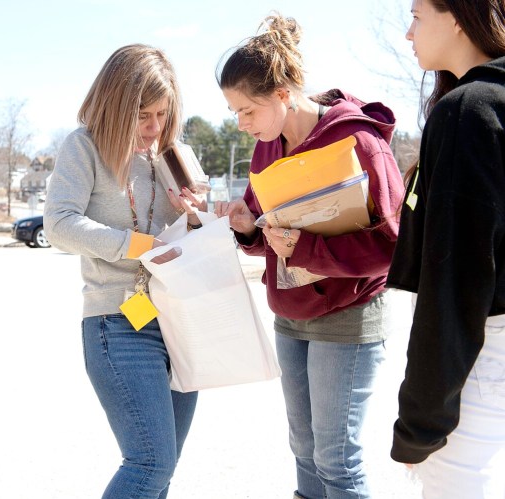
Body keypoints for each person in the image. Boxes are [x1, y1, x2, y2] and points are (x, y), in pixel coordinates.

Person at [213, 15, 405, 499]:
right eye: (234, 112)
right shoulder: (265, 150)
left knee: (336, 460)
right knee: (304, 448)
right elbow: (269, 234)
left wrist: (308, 248)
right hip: (291, 314)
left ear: (282, 94)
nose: (241, 124)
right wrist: (247, 229)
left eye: (247, 111)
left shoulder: (359, 143)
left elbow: (394, 247)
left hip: (349, 312)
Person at [43, 44, 205, 498]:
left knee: (162, 468)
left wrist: (194, 217)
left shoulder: (176, 154)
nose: (155, 129)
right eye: (143, 116)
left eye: (162, 115)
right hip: (119, 322)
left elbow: (202, 237)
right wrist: (137, 246)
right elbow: (58, 223)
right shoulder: (84, 147)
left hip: (179, 321)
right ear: (116, 105)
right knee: (149, 462)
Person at [387, 1, 505, 497]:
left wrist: (420, 425)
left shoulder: (468, 112)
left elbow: (455, 282)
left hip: (483, 348)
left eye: (417, 16)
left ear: (457, 15)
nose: (408, 32)